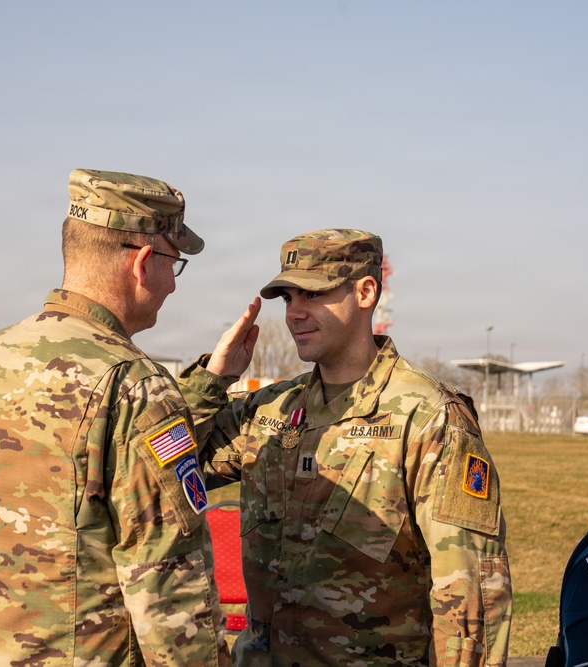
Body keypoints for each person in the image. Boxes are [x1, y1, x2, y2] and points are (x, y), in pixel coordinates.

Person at [0, 169, 231, 666]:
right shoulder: (133, 383)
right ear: (143, 263)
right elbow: (170, 585)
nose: (173, 286)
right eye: (174, 264)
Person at [179, 229, 513, 666]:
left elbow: (470, 599)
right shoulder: (270, 410)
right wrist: (211, 382)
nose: (295, 313)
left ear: (366, 292)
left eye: (313, 294)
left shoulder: (429, 418)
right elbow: (160, 466)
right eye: (288, 298)